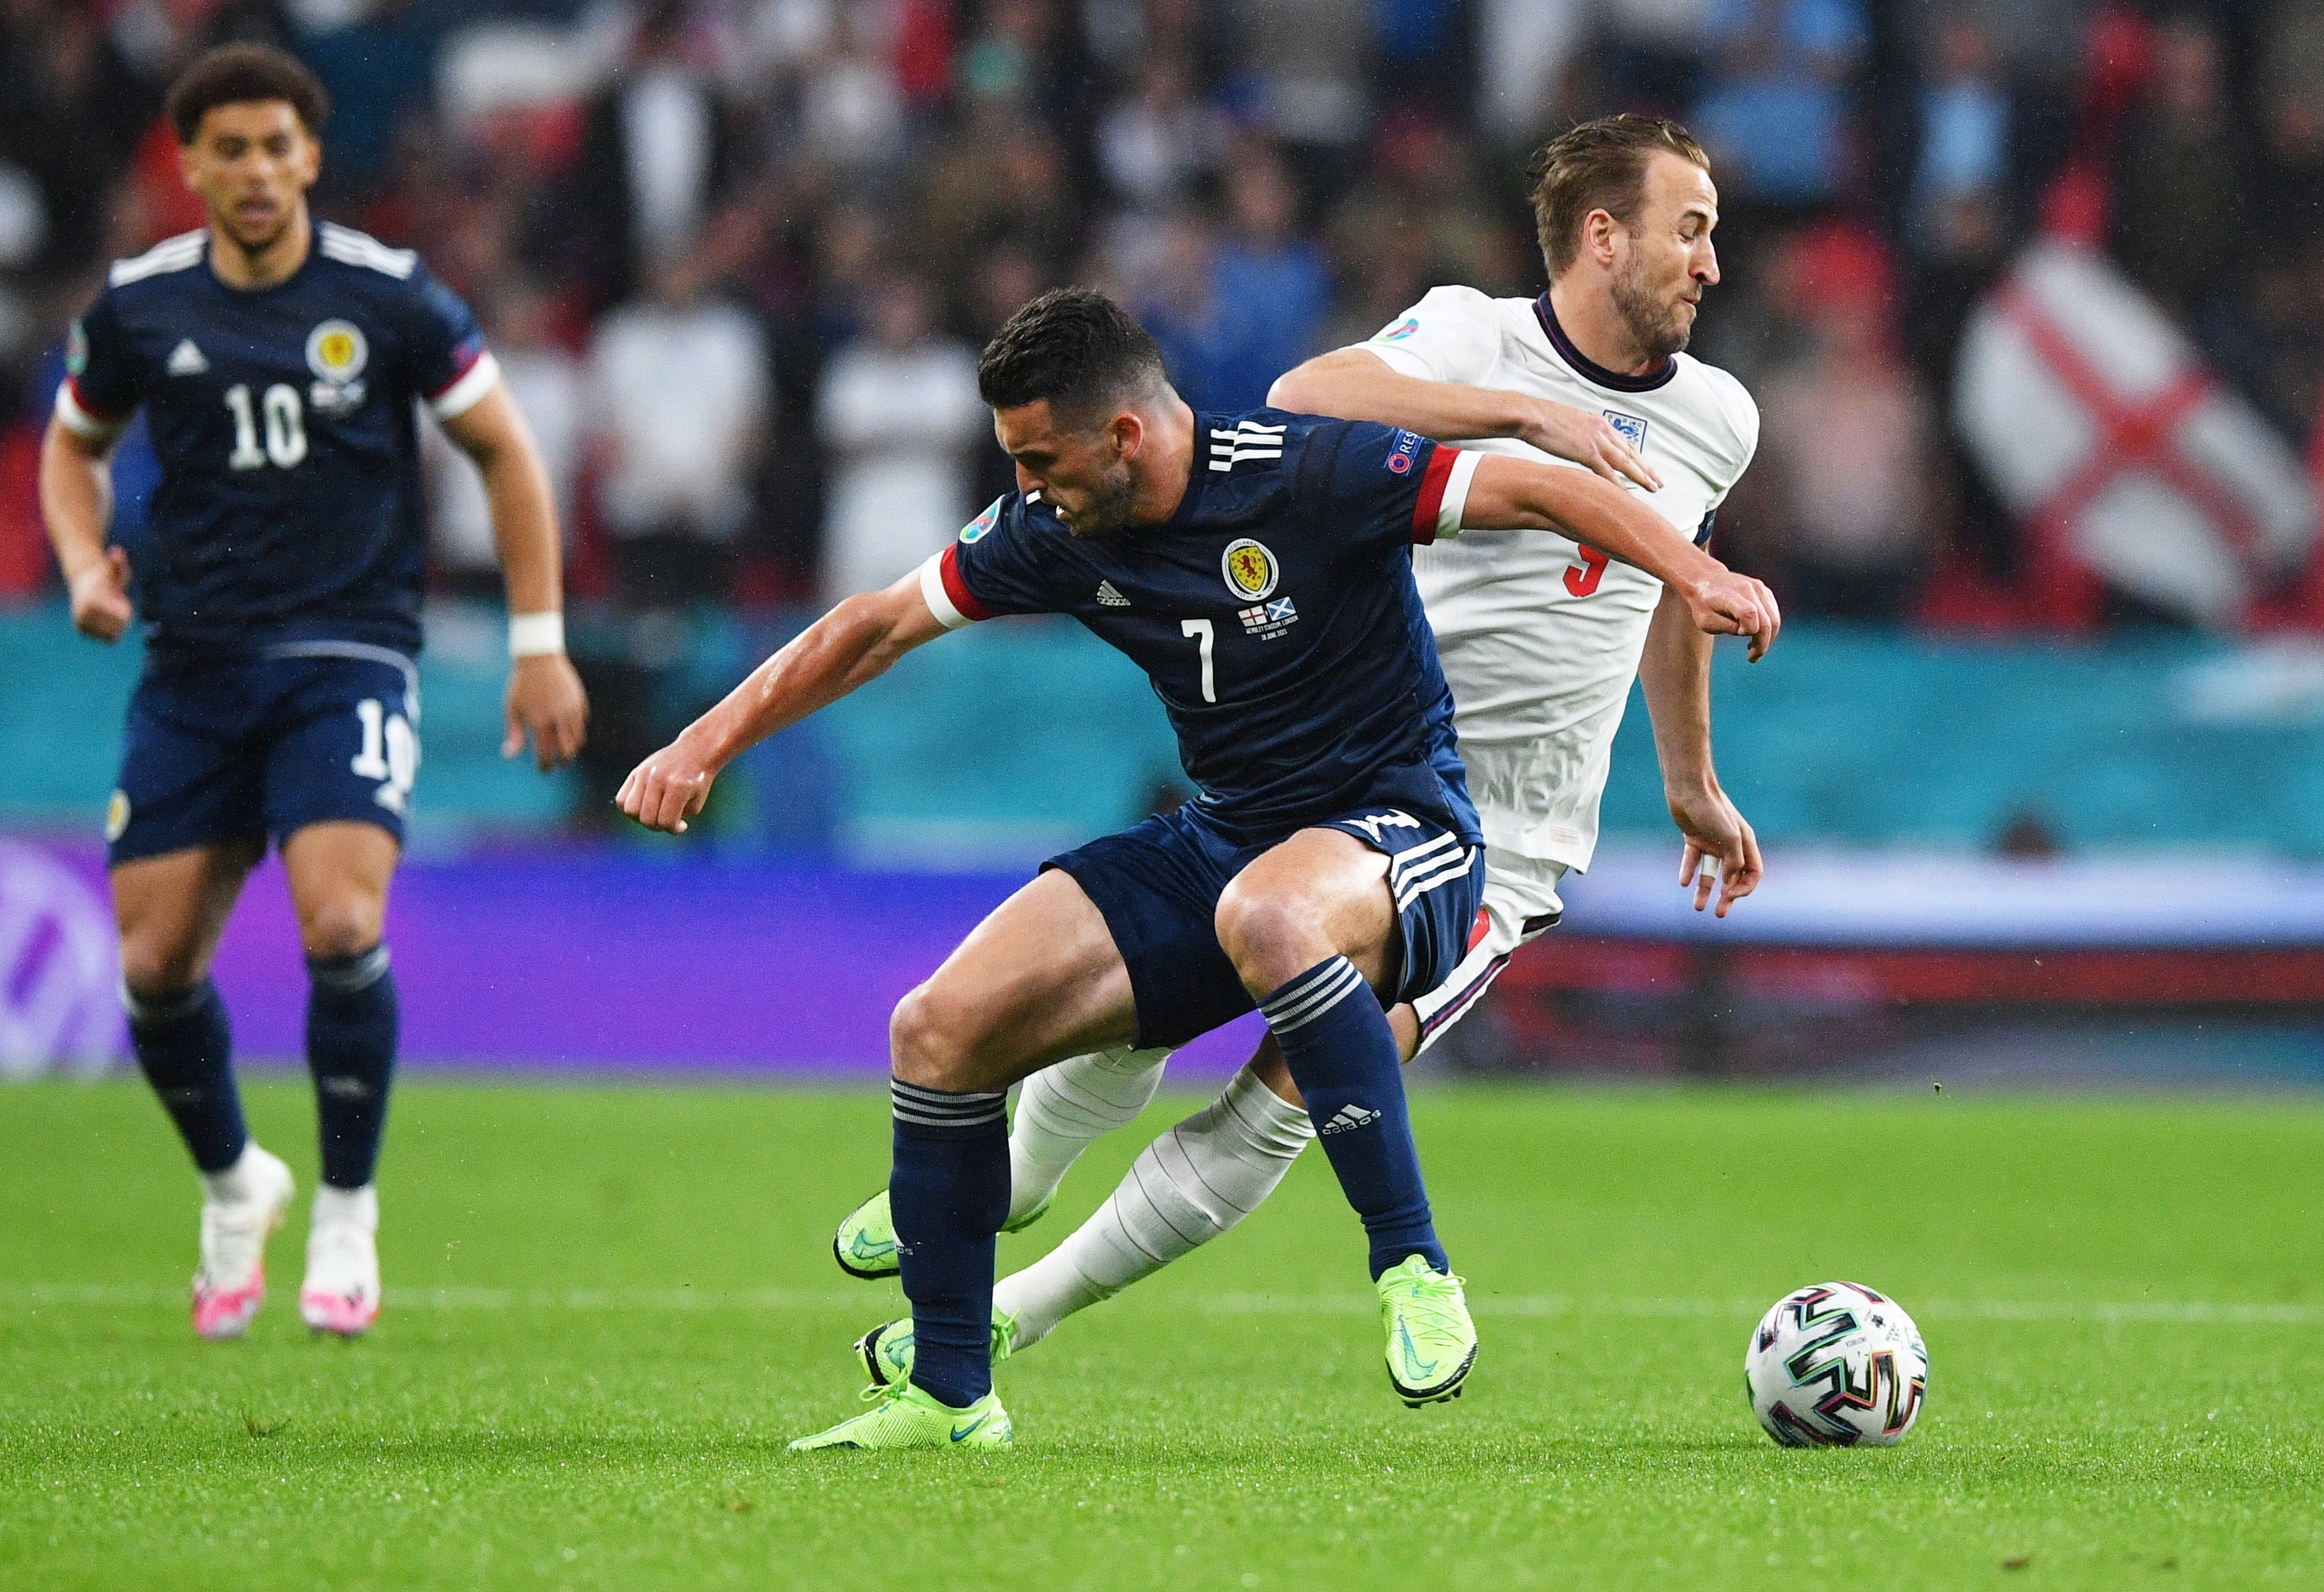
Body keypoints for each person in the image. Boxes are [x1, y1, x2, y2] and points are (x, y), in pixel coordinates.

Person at [618, 286, 1778, 1451]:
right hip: (1233, 829)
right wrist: (700, 743)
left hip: (1405, 831)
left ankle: (1412, 1266)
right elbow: (872, 625)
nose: (1026, 487)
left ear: (1123, 435)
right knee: (936, 1027)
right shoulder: (1056, 527)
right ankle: (949, 1399)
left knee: (1269, 919)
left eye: (1039, 458)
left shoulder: (1306, 475)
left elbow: (1535, 487)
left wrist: (1692, 574)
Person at [831, 117, 1771, 1387]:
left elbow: (1668, 600)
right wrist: (1518, 418)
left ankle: (1018, 1310)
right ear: (1604, 237)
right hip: (1338, 762)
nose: (1712, 261)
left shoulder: (1719, 417)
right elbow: (1304, 400)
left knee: (1307, 1078)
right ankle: (998, 1184)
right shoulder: (1466, 334)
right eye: (1691, 228)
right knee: (1140, 1007)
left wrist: (1690, 781)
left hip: (1503, 841)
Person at [39, 44, 588, 1340]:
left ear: (309, 158)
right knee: (155, 967)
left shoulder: (391, 298)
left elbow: (504, 451)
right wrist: (80, 566)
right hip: (192, 666)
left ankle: (347, 1209)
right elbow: (72, 448)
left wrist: (540, 639)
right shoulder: (139, 306)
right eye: (227, 150)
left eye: (275, 147)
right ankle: (239, 1185)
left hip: (348, 651)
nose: (254, 172)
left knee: (341, 924)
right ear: (192, 165)